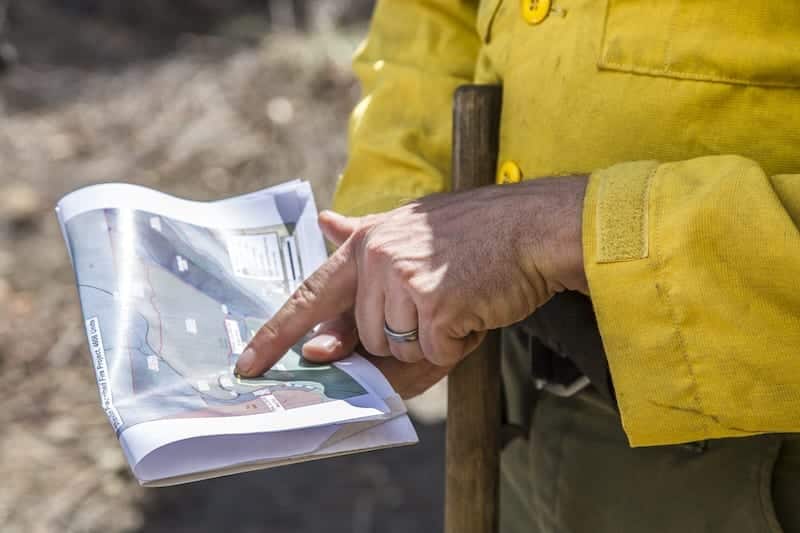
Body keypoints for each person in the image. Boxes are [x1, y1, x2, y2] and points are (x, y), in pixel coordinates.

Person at [236, 1, 800, 531]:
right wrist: (403, 223)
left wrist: (568, 229)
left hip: (763, 455)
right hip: (511, 407)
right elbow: (433, 21)